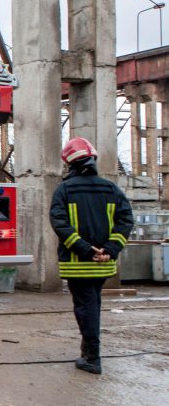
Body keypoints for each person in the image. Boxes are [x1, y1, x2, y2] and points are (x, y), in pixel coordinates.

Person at [49, 137, 133, 375]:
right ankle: (88, 351)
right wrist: (110, 249)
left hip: (78, 264)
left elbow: (60, 223)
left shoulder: (64, 190)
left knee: (86, 307)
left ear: (70, 163)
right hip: (104, 265)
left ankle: (92, 358)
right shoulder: (111, 189)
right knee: (92, 304)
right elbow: (126, 220)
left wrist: (85, 249)